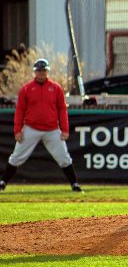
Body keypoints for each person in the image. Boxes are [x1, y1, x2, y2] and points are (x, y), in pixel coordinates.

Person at [0, 58, 83, 192]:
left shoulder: (56, 88)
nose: (41, 73)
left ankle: (74, 184)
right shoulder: (27, 88)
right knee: (17, 156)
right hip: (31, 128)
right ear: (35, 72)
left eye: (44, 70)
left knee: (64, 157)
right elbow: (20, 110)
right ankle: (3, 182)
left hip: (52, 129)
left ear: (47, 71)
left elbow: (62, 109)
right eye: (39, 70)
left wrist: (65, 129)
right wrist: (18, 130)